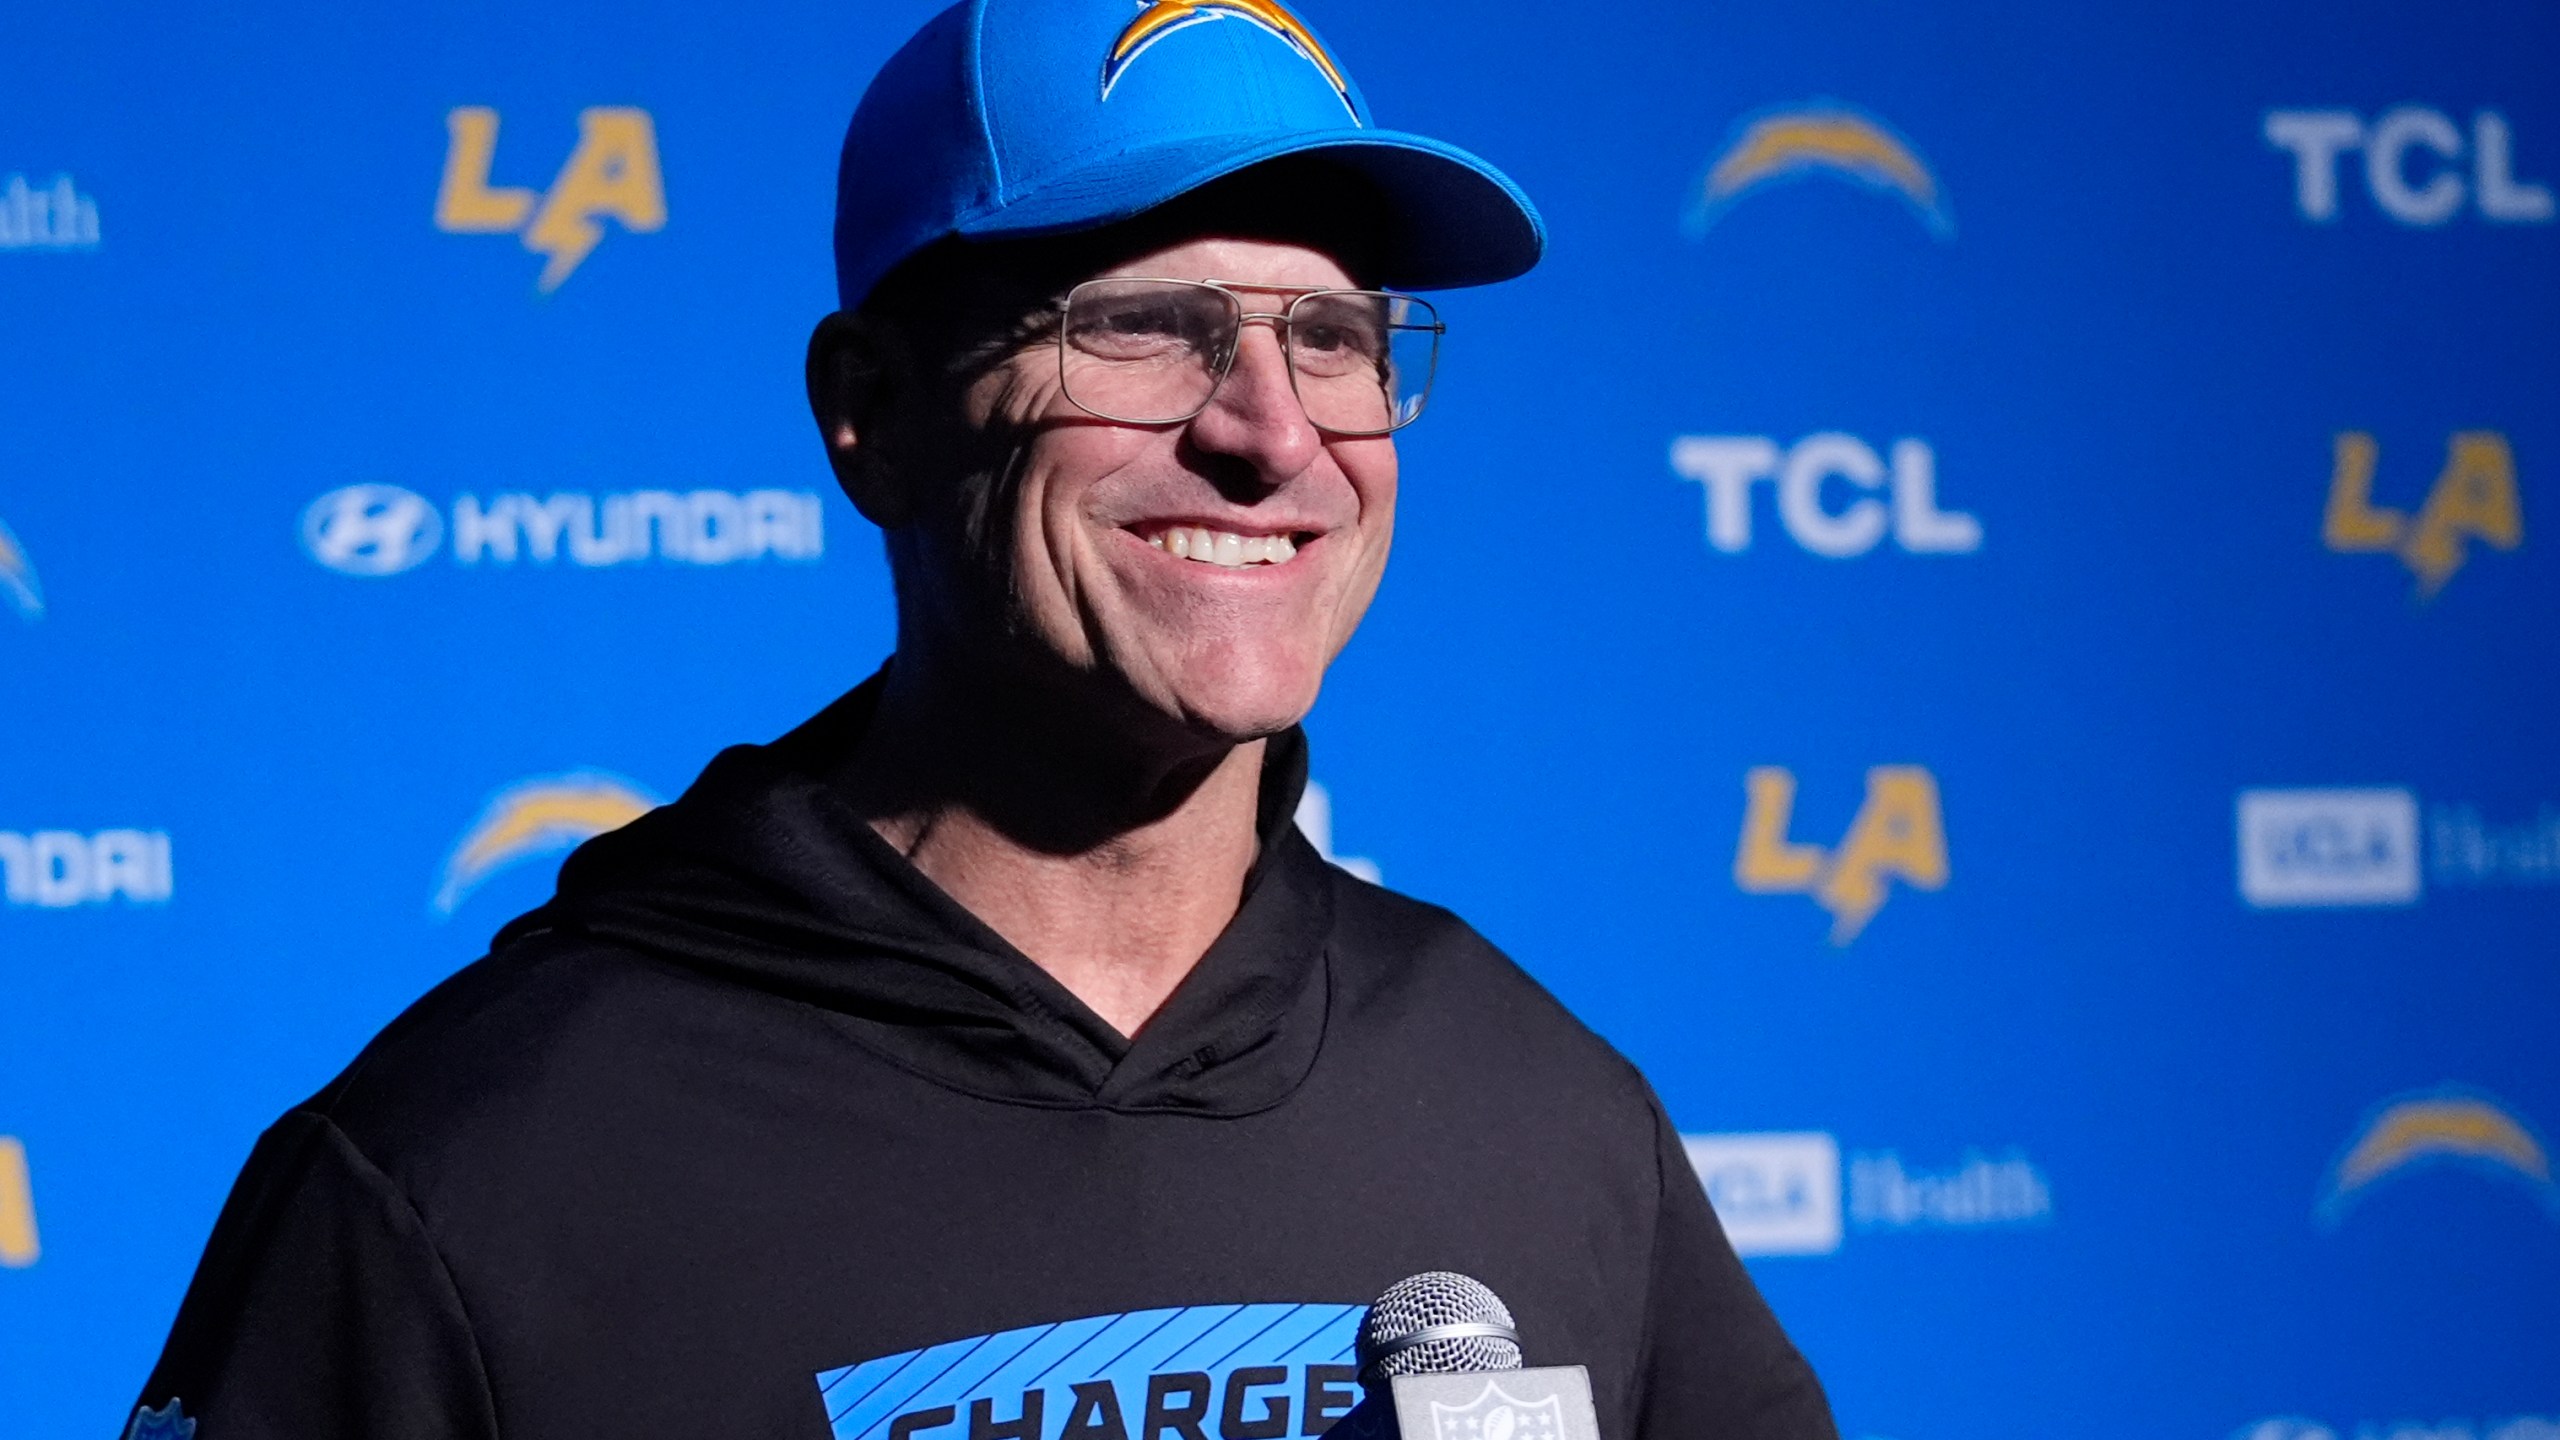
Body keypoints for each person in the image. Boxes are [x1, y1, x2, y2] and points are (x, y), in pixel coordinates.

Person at [132, 1, 1837, 1436]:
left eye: (1334, 337)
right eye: (1148, 329)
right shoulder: (469, 1175)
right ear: (870, 408)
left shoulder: (1534, 1109)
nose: (1270, 431)